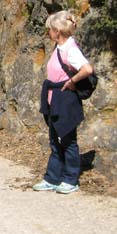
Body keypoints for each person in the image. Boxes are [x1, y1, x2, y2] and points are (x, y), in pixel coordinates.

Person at [33, 11, 94, 195]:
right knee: (54, 140)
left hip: (65, 100)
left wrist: (72, 81)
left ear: (57, 31)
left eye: (49, 30)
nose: (48, 33)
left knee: (67, 140)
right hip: (55, 100)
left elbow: (87, 69)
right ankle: (52, 178)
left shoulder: (70, 49)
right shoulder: (59, 47)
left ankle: (70, 179)